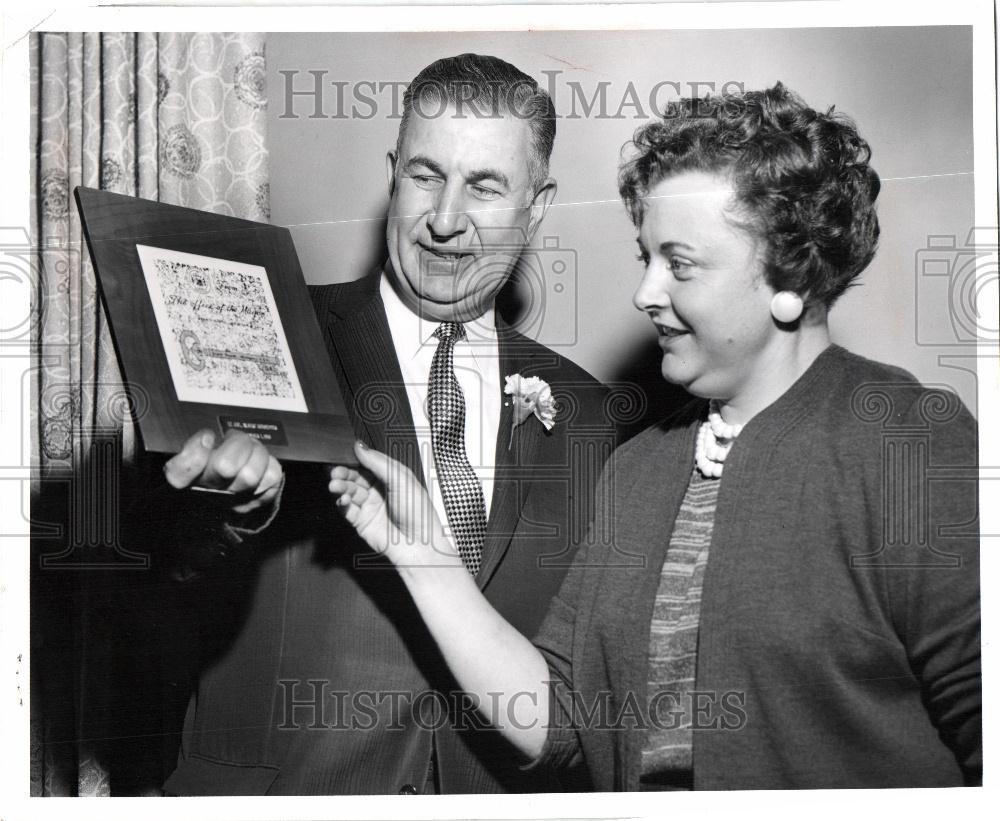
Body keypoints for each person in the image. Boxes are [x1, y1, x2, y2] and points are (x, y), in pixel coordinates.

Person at [331, 83, 982, 790]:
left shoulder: (910, 444)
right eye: (645, 256)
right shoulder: (640, 466)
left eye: (680, 263)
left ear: (790, 276)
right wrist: (429, 563)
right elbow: (566, 722)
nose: (644, 291)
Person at [160, 54, 619, 794]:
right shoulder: (269, 330)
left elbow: (585, 689)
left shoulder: (591, 413)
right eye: (426, 175)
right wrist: (221, 510)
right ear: (392, 172)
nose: (443, 220)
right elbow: (166, 563)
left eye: (485, 186)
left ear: (537, 205)